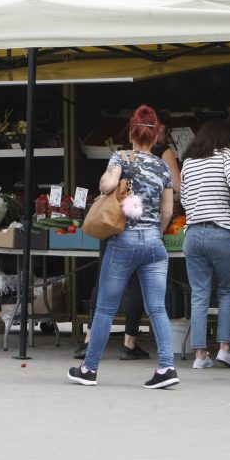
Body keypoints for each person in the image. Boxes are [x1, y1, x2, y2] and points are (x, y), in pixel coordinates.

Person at [68, 105, 178, 388]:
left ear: (131, 133)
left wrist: (110, 177)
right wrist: (155, 232)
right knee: (157, 309)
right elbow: (167, 211)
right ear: (155, 138)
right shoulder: (164, 166)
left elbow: (107, 187)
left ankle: (89, 368)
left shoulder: (121, 157)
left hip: (123, 242)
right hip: (154, 243)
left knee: (105, 308)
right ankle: (166, 368)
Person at [180, 119, 230, 369]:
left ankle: (199, 355)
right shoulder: (224, 155)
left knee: (199, 294)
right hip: (221, 231)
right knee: (226, 291)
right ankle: (224, 348)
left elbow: (185, 199)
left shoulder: (188, 162)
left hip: (194, 234)